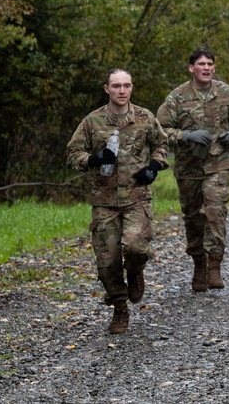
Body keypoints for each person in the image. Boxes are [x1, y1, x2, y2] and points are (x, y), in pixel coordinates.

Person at [66, 68, 168, 334]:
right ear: (106, 89)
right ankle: (120, 307)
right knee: (107, 261)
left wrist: (154, 167)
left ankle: (135, 271)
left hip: (137, 197)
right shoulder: (92, 121)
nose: (122, 91)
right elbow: (73, 152)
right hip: (105, 201)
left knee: (135, 247)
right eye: (116, 86)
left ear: (132, 87)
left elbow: (162, 143)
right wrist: (93, 159)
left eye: (127, 86)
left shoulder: (144, 117)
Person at [156, 48, 229, 293]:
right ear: (191, 68)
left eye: (210, 64)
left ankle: (215, 263)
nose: (206, 68)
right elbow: (160, 130)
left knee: (215, 211)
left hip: (219, 162)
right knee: (194, 218)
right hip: (189, 167)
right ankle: (199, 265)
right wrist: (186, 135)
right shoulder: (177, 97)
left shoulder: (225, 92)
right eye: (201, 64)